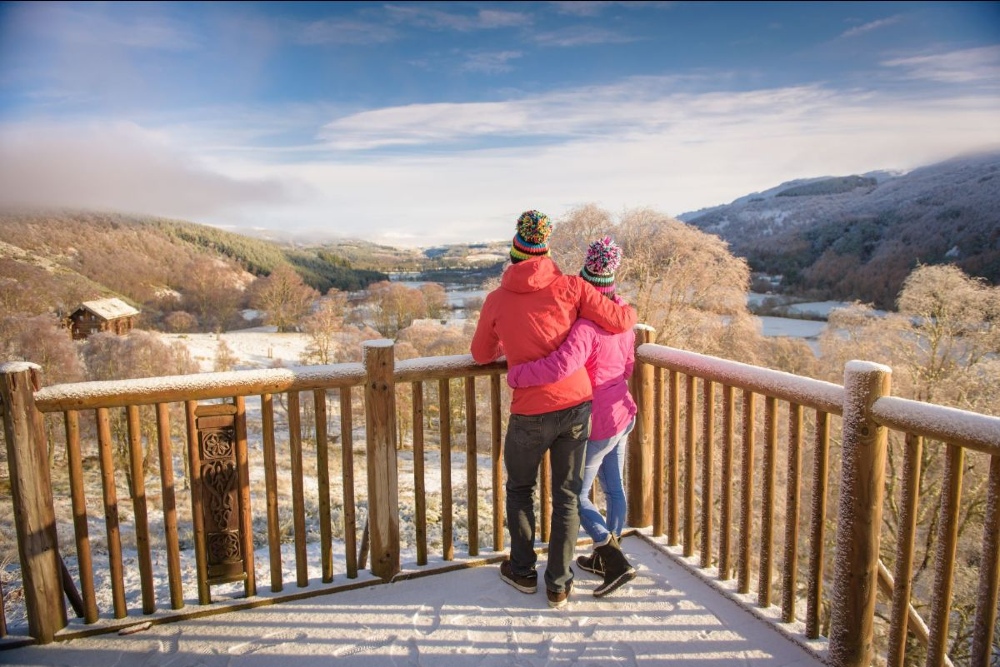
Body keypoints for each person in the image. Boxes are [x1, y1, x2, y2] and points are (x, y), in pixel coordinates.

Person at [471, 211, 637, 609]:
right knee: (566, 495)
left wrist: (507, 347)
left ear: (514, 253)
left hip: (529, 411)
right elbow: (622, 318)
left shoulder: (496, 300)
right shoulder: (571, 287)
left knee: (520, 489)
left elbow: (480, 354)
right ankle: (559, 584)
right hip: (577, 407)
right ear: (545, 252)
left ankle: (524, 571)